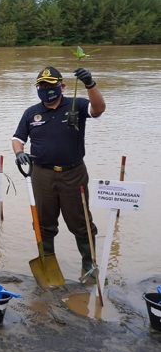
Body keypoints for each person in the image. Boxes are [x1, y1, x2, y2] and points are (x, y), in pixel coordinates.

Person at [12, 66, 105, 280]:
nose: (46, 90)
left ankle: (89, 264)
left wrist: (90, 83)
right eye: (42, 86)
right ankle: (48, 261)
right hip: (41, 174)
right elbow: (18, 138)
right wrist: (19, 153)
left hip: (73, 174)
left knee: (80, 221)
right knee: (44, 222)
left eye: (51, 86)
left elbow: (98, 109)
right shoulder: (31, 113)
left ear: (62, 86)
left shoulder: (76, 105)